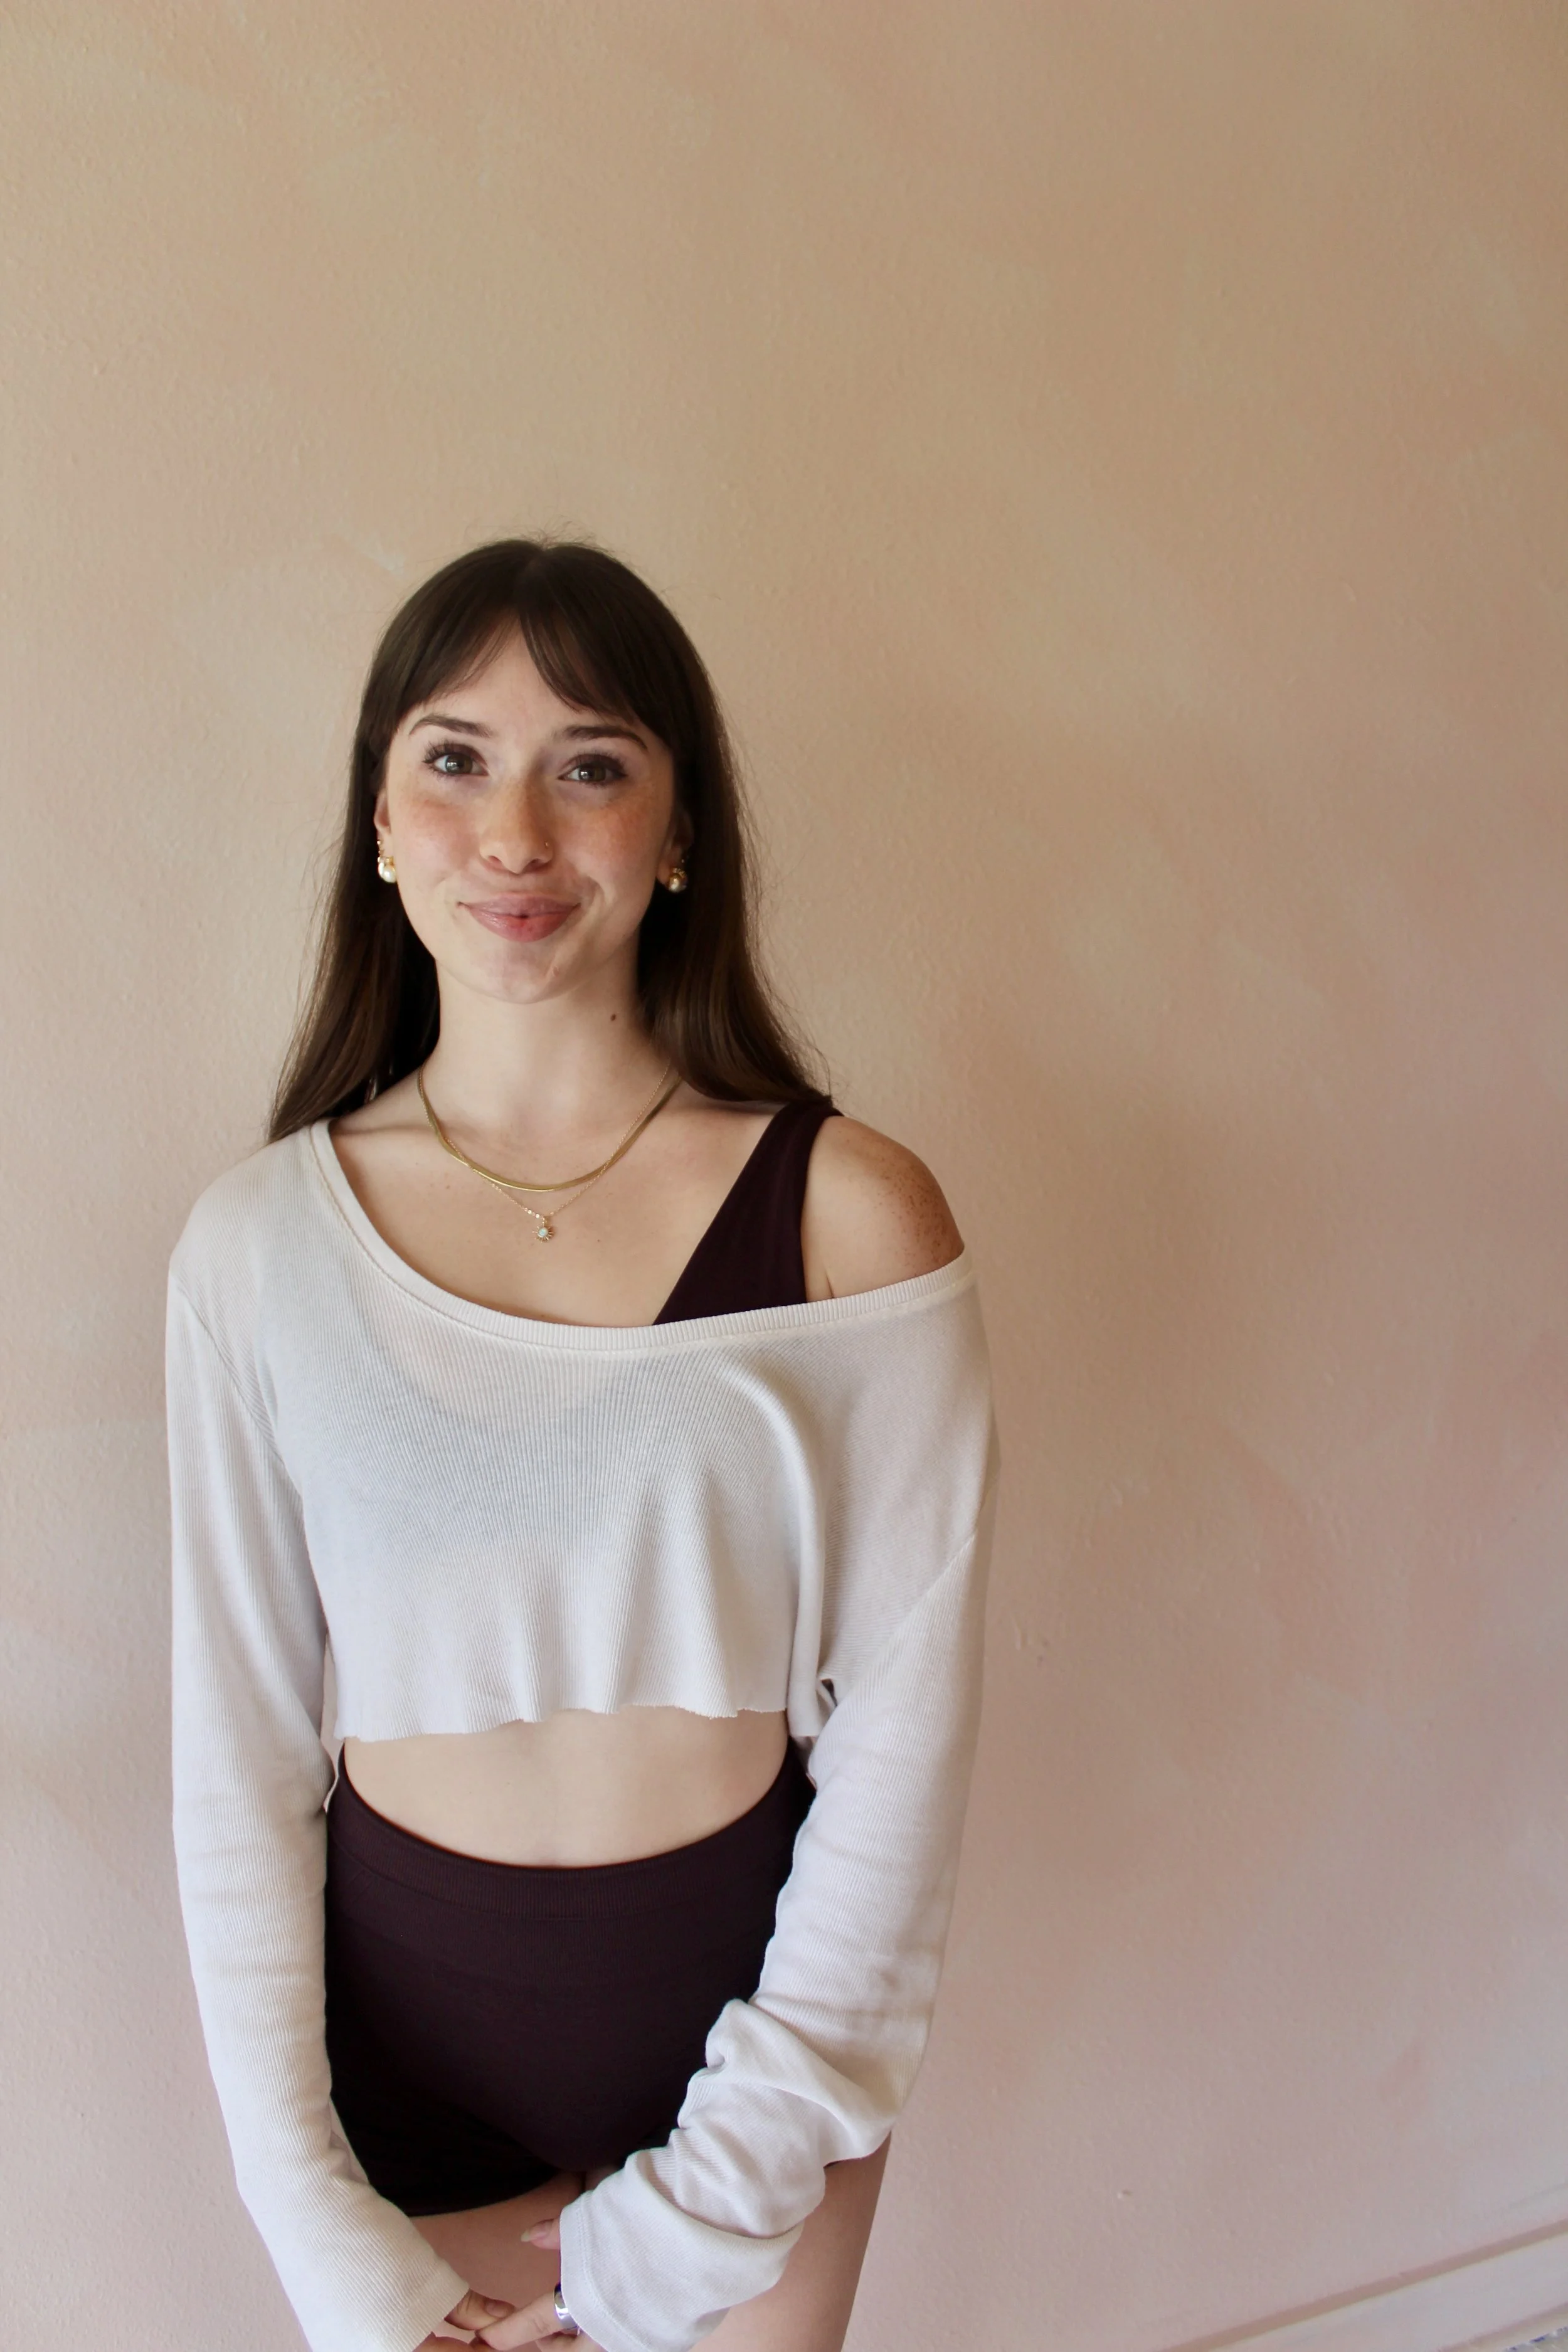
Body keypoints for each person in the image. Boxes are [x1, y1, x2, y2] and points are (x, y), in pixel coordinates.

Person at [167, 538, 1000, 2352]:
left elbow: (904, 1747)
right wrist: (310, 2217)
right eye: (453, 759)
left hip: (749, 2047)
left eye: (593, 762)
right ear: (377, 822)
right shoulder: (256, 1248)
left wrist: (714, 2193)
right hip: (398, 2058)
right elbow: (233, 1760)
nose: (516, 831)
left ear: (677, 827)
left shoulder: (852, 1215)